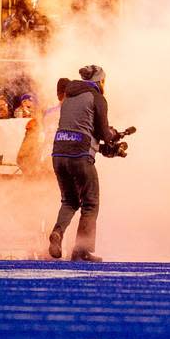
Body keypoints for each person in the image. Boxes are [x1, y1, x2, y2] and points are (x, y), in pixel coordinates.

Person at [48, 66, 123, 262]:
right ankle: (81, 250)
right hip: (80, 156)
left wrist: (109, 147)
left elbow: (85, 130)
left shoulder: (69, 96)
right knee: (90, 203)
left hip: (58, 155)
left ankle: (58, 232)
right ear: (99, 81)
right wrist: (114, 135)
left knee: (70, 200)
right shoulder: (97, 98)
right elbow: (103, 134)